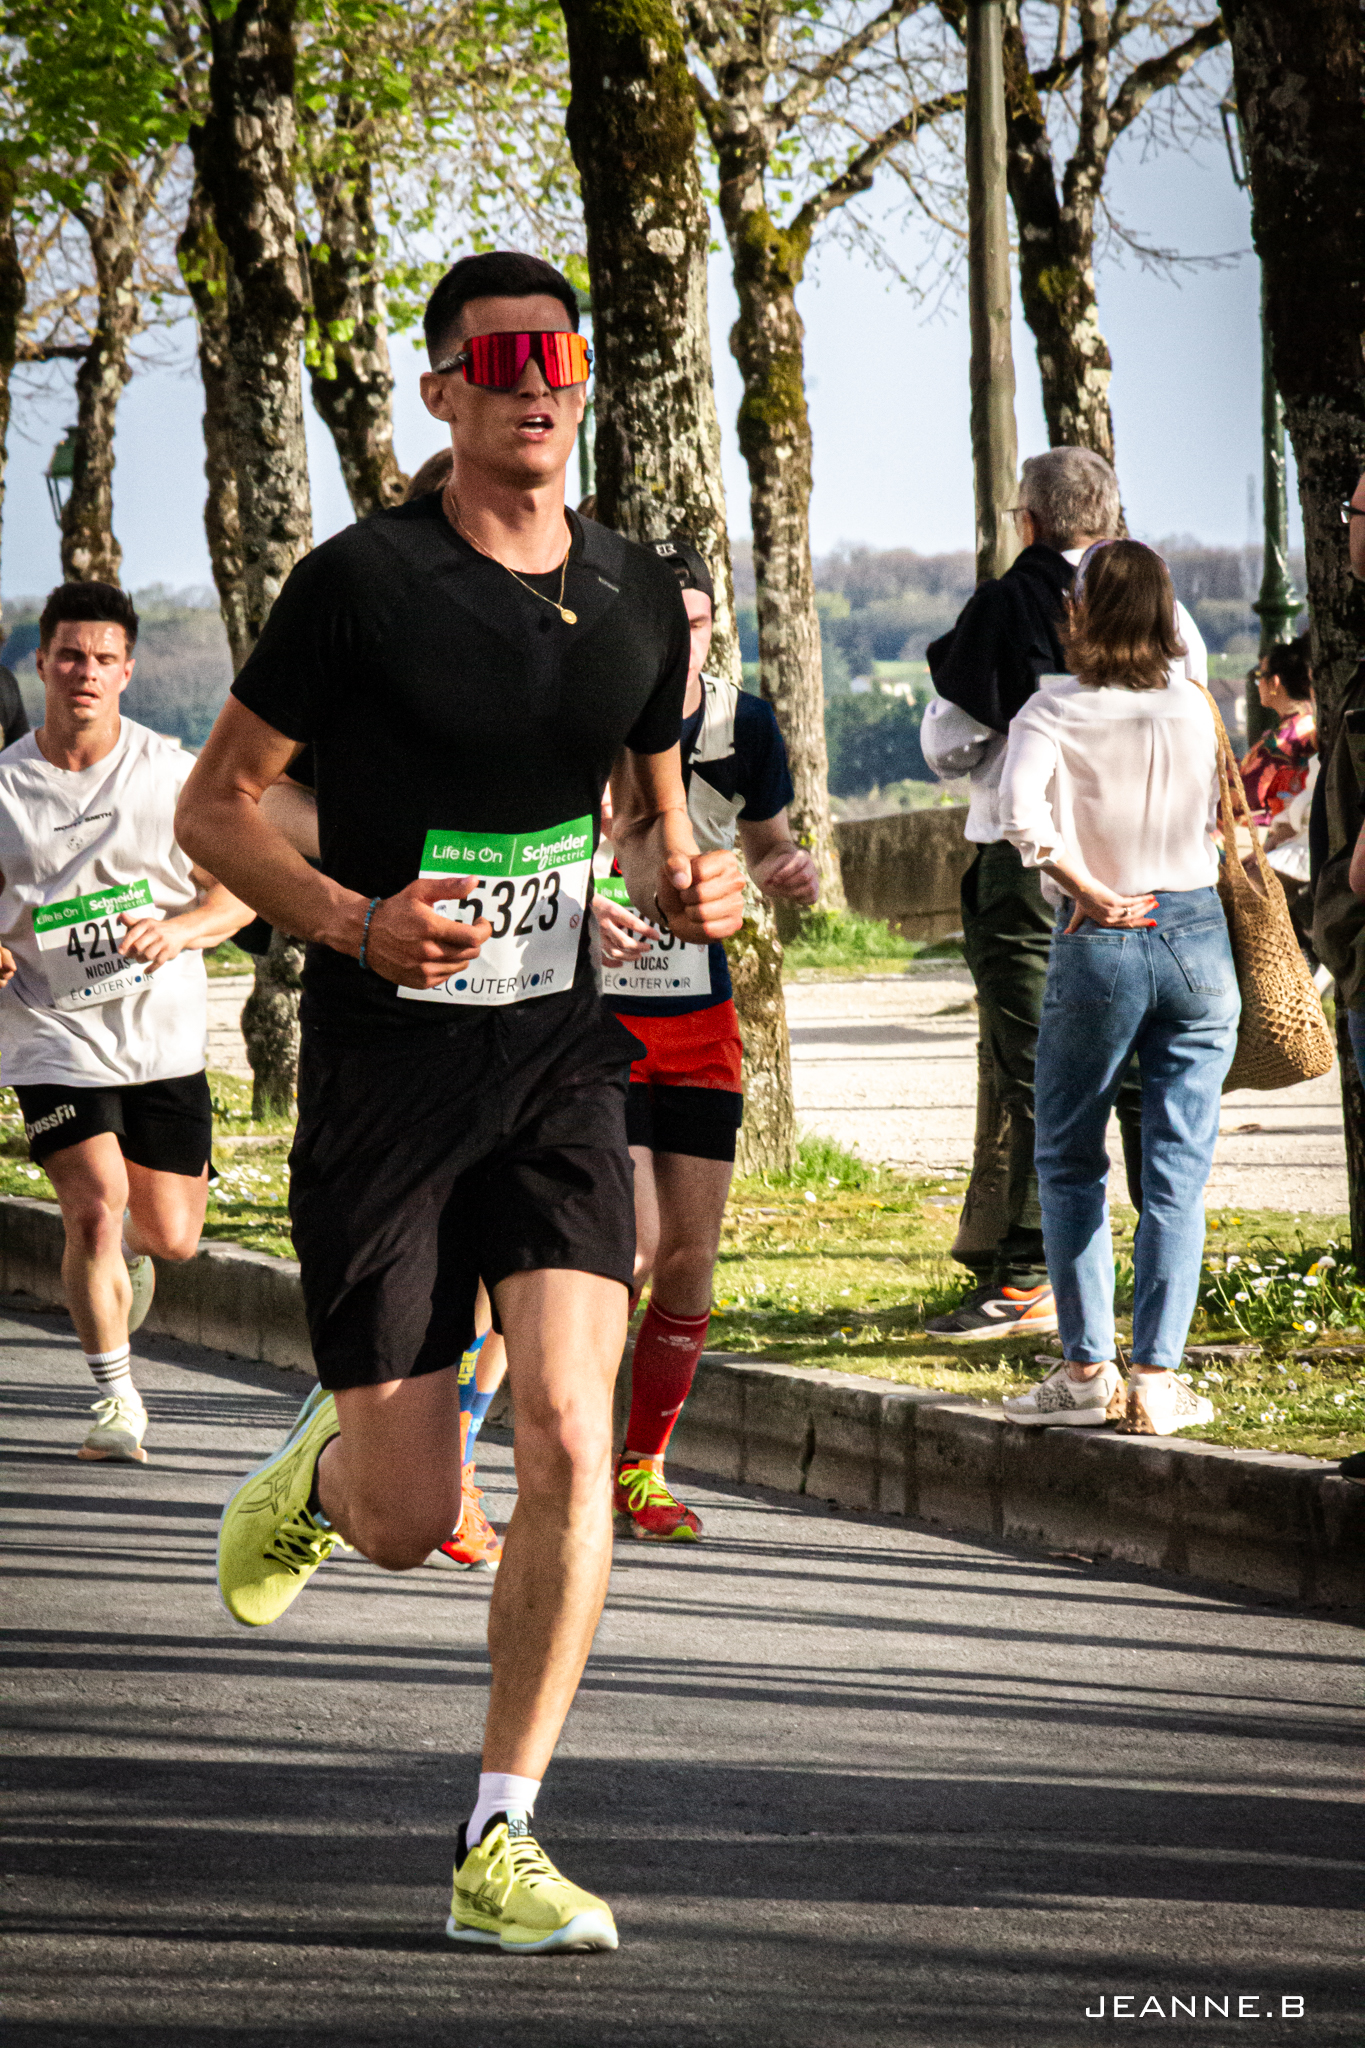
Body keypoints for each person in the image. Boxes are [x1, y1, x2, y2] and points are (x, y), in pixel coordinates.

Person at [178, 249, 744, 1954]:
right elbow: (213, 810)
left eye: (560, 355)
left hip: (560, 1059)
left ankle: (501, 1832)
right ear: (440, 391)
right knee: (413, 1516)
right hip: (387, 1073)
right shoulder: (358, 585)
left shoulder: (639, 593)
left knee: (569, 1427)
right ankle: (330, 1477)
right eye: (500, 360)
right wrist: (356, 921)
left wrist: (692, 878)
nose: (537, 382)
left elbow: (652, 825)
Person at [922, 447, 1209, 1343]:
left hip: (1038, 872)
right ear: (1111, 517)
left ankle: (1034, 1276)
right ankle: (1158, 1305)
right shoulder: (1167, 609)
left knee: (1038, 1069)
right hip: (1161, 881)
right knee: (1153, 1093)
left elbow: (950, 745)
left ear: (1030, 521)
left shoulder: (1008, 607)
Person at [593, 537, 817, 1541]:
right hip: (595, 1019)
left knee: (689, 1256)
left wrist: (785, 872)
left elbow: (769, 848)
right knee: (630, 1244)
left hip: (698, 1015)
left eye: (695, 623)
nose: (681, 643)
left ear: (715, 624)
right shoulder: (589, 710)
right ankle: (541, 1446)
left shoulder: (745, 725)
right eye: (664, 624)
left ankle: (640, 1468)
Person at [0, 582, 250, 1462]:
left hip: (160, 1035)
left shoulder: (174, 775)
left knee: (172, 1237)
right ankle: (116, 1402)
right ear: (40, 663)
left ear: (128, 671)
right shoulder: (4, 788)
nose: (86, 672)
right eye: (70, 655)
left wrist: (180, 929)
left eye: (104, 659)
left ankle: (118, 1259)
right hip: (50, 1033)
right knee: (95, 1209)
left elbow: (236, 895)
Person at [997, 540, 1235, 1436]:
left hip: (1102, 933)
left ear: (1079, 613)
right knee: (1176, 1168)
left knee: (1068, 1156)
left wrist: (1086, 888)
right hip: (1197, 933)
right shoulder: (1195, 704)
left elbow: (1020, 817)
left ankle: (1086, 1369)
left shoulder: (1052, 709)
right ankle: (1159, 1380)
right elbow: (1217, 817)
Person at [1239, 639, 1315, 827]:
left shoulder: (1277, 744)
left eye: (1260, 676)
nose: (1258, 684)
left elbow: (1248, 797)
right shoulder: (1313, 725)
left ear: (1274, 682)